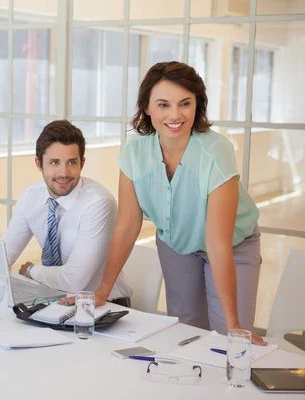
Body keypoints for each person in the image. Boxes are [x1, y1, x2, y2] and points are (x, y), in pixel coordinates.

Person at [86, 61, 266, 345]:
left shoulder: (215, 151)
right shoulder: (135, 152)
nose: (175, 114)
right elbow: (127, 225)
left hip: (232, 245)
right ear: (147, 107)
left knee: (228, 338)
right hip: (176, 244)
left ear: (198, 105)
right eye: (163, 105)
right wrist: (103, 290)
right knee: (187, 333)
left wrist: (234, 324)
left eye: (185, 103)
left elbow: (217, 241)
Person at [0, 120, 132, 303]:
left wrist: (32, 271)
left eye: (72, 162)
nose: (64, 172)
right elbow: (3, 256)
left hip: (104, 305)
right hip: (56, 298)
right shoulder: (31, 197)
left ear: (82, 162)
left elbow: (74, 281)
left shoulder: (98, 203)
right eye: (54, 162)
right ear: (39, 164)